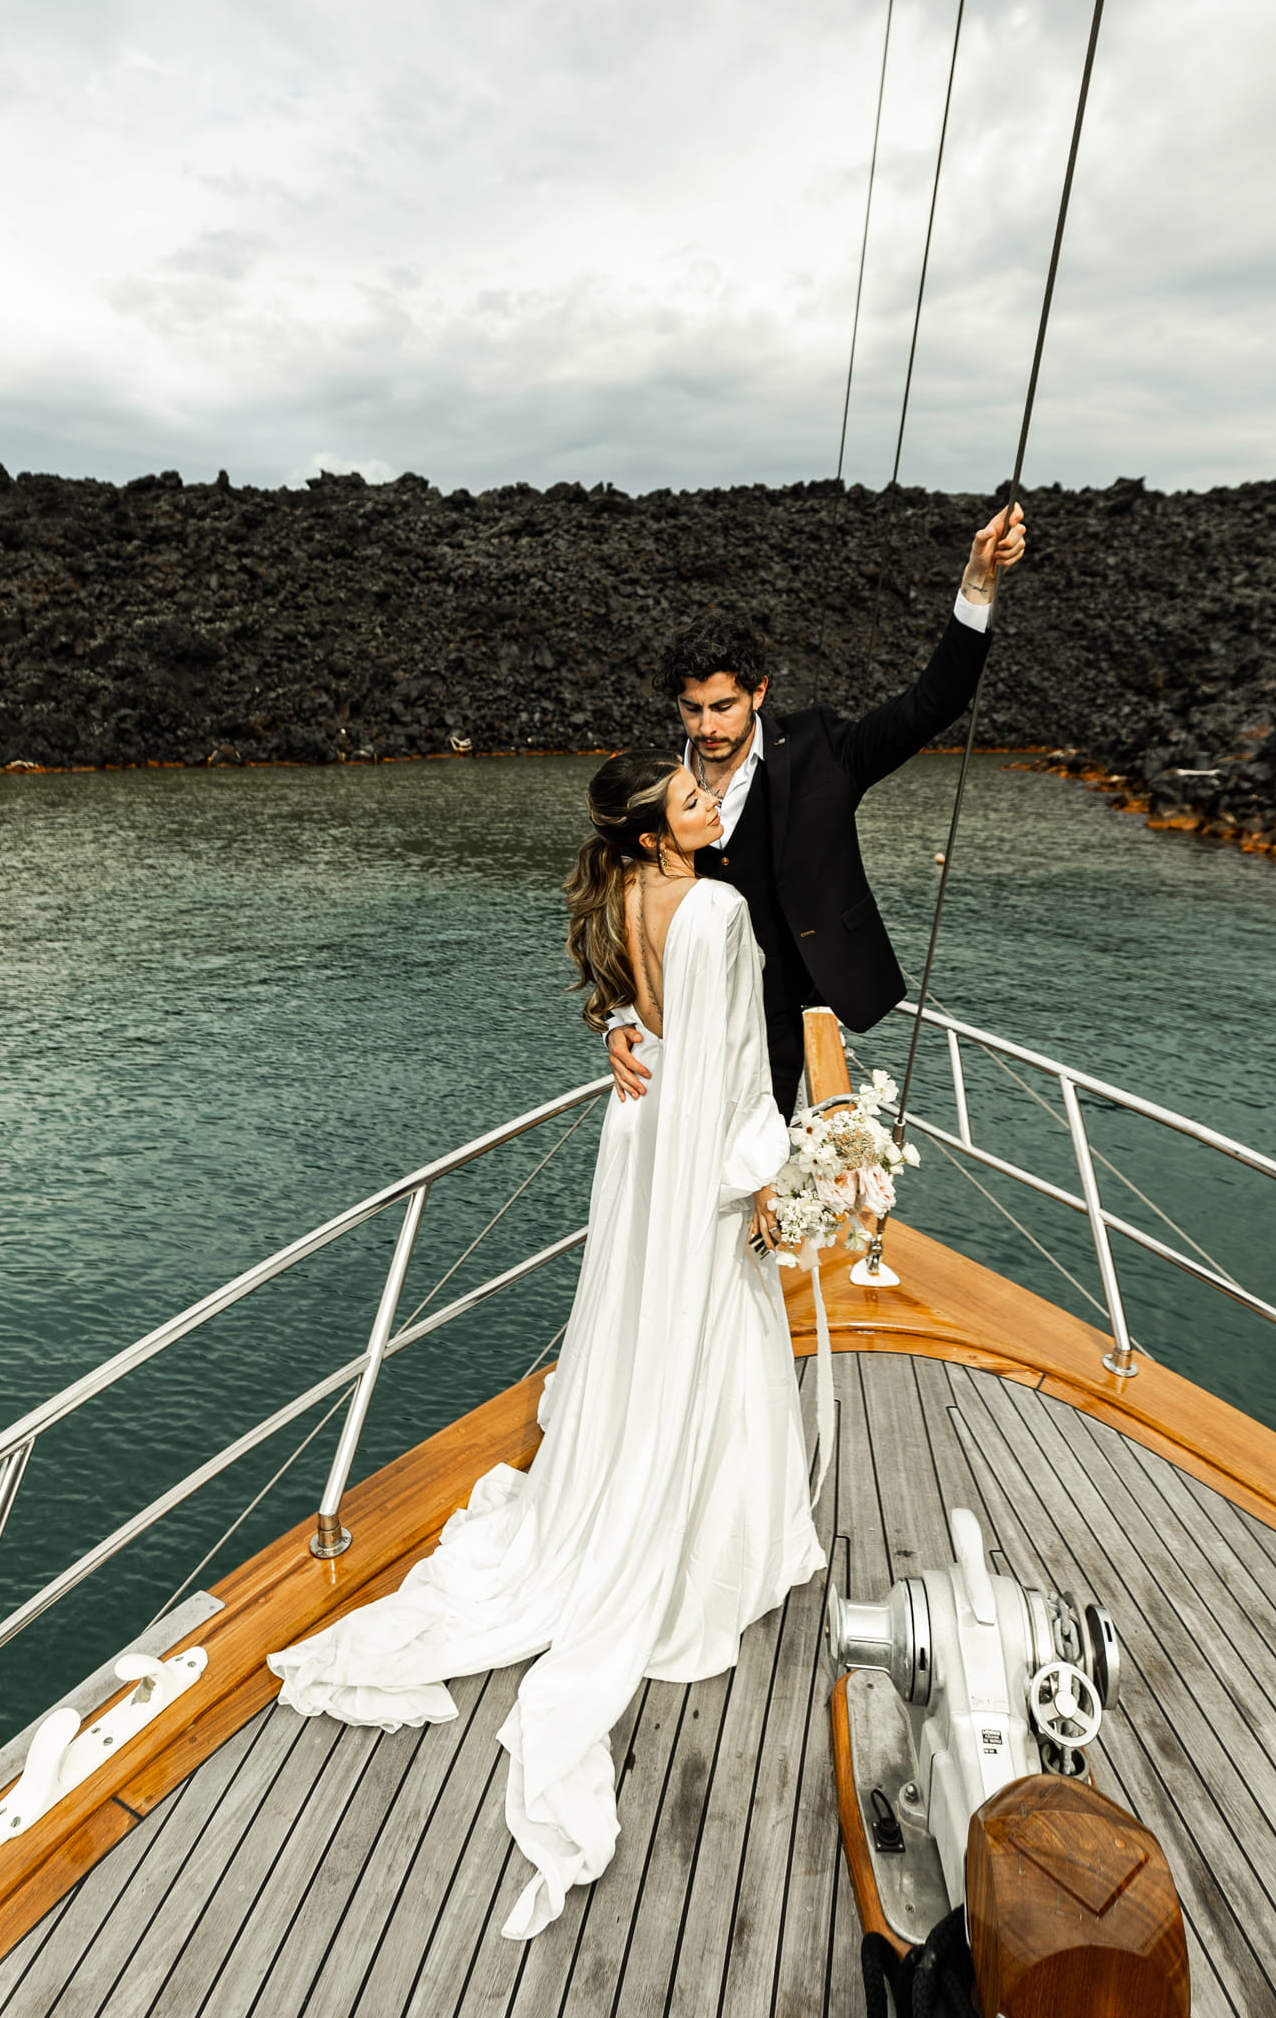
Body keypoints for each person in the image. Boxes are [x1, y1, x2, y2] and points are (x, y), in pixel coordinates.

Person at [268, 752, 823, 1939]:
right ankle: (706, 1535)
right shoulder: (719, 905)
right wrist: (766, 1174)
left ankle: (622, 1483)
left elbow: (642, 1021)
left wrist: (626, 1034)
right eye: (690, 797)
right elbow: (734, 1069)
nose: (710, 799)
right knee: (712, 1323)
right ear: (656, 831)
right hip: (691, 1148)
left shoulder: (622, 896)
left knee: (634, 1318)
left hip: (636, 1132)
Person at [605, 502, 1025, 1119]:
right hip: (685, 1017)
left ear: (760, 692)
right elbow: (623, 904)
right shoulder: (659, 781)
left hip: (783, 1009)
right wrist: (616, 1017)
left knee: (760, 1166)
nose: (706, 726)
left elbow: (932, 703)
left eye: (723, 706)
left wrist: (978, 584)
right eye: (691, 709)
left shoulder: (823, 751)